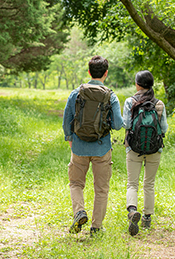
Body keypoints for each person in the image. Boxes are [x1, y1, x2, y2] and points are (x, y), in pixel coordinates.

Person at [62, 55, 123, 235]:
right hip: (102, 147)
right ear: (105, 73)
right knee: (101, 189)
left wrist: (70, 139)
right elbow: (118, 124)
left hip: (79, 148)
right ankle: (96, 227)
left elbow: (67, 121)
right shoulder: (111, 96)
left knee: (75, 183)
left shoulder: (76, 93)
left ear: (89, 72)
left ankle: (79, 211)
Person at [123, 70, 168, 236]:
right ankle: (147, 218)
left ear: (137, 84)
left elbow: (127, 124)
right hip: (155, 149)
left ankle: (132, 211)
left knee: (132, 183)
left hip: (133, 148)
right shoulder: (159, 104)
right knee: (149, 184)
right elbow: (163, 129)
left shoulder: (130, 101)